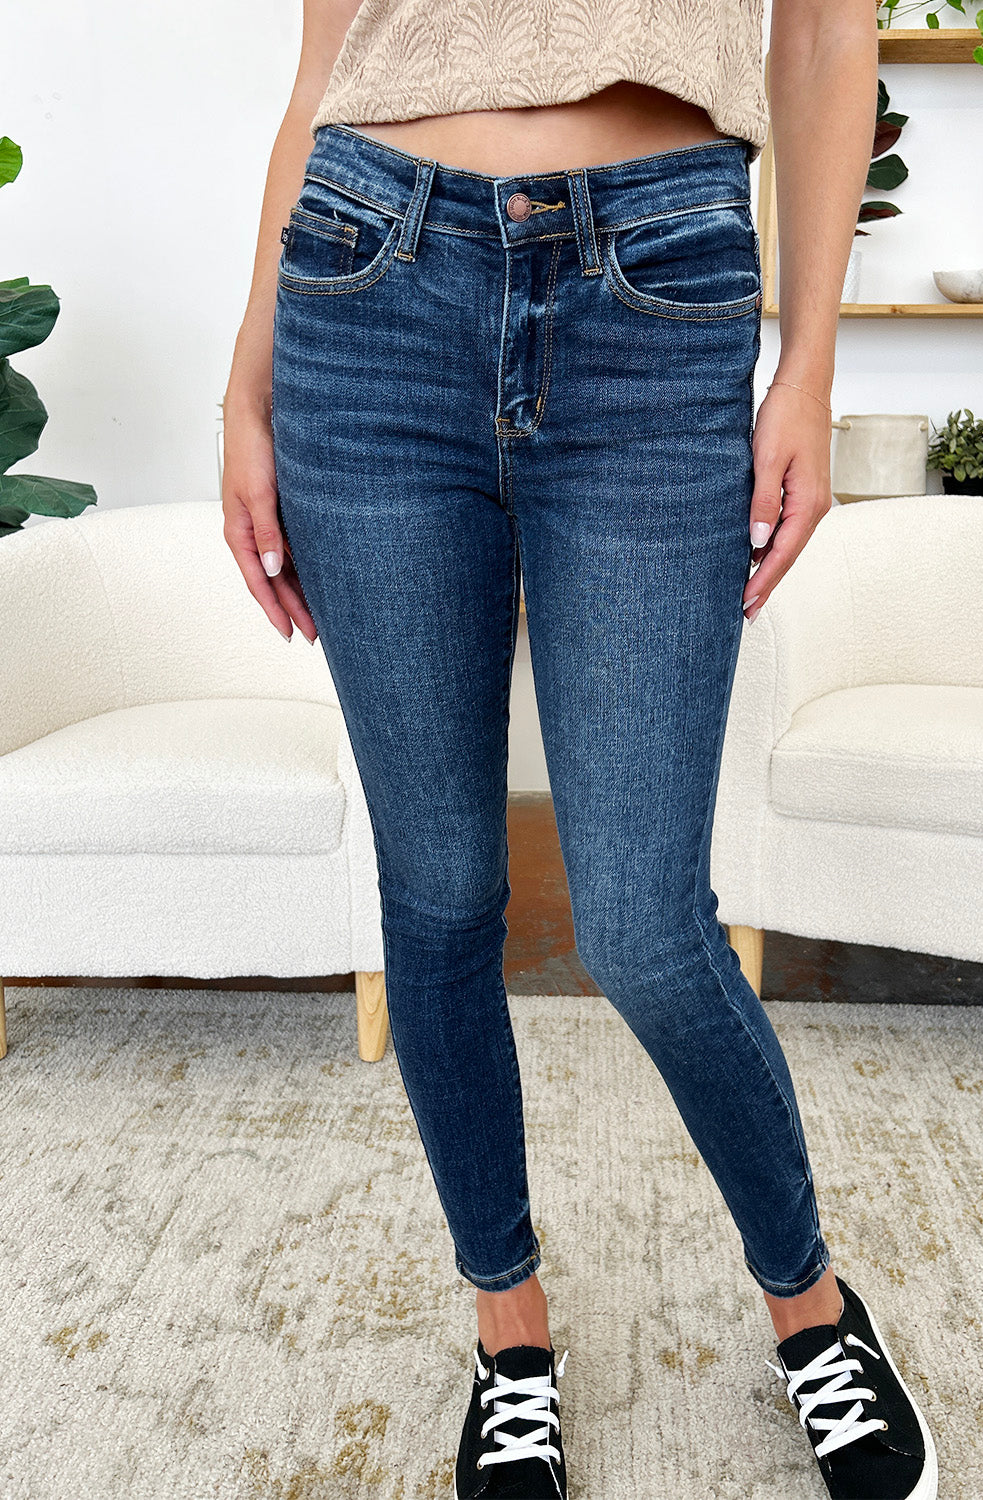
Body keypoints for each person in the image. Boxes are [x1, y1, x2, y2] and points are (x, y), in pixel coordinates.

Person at [222, 3, 938, 1497]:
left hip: (656, 281)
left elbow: (819, 41)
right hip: (364, 274)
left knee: (638, 925)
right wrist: (247, 386)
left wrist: (805, 363)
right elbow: (322, 64)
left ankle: (811, 1310)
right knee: (434, 901)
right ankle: (509, 1340)